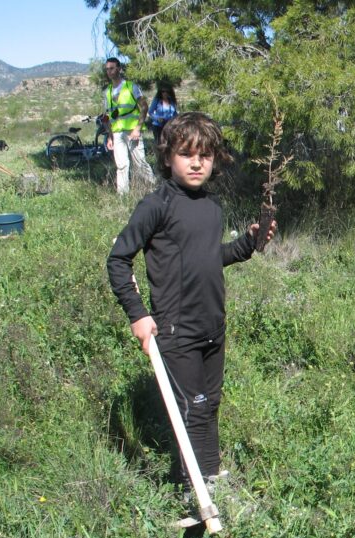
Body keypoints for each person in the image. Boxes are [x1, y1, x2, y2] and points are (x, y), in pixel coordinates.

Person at [107, 112, 276, 494]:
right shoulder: (156, 205)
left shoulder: (211, 207)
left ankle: (209, 475)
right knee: (194, 407)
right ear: (168, 158)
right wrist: (138, 315)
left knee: (209, 404)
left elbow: (210, 256)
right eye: (186, 154)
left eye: (205, 155)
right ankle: (195, 488)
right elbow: (118, 260)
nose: (196, 162)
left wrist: (250, 242)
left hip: (212, 324)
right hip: (174, 328)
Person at [103, 57, 156, 194]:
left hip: (132, 131)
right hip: (117, 133)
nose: (109, 71)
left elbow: (144, 107)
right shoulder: (107, 91)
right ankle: (123, 195)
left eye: (112, 68)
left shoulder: (131, 86)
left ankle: (153, 190)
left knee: (140, 163)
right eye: (107, 69)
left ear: (119, 69)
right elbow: (108, 115)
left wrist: (137, 129)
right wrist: (110, 137)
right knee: (121, 165)